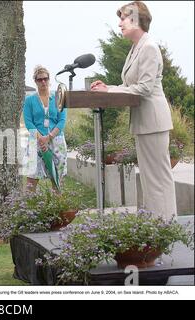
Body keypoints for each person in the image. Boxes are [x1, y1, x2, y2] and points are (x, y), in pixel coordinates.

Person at [90, 1, 176, 220]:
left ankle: (164, 224)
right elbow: (132, 86)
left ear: (136, 20)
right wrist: (107, 88)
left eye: (123, 18)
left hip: (153, 120)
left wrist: (109, 92)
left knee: (157, 178)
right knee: (149, 178)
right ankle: (155, 224)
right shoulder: (136, 48)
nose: (119, 24)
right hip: (144, 121)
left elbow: (145, 88)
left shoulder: (148, 47)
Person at [23, 65, 68, 192]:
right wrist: (41, 139)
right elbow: (28, 122)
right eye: (39, 79)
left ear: (49, 79)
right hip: (36, 141)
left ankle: (58, 209)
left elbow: (62, 120)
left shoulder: (59, 97)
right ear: (35, 81)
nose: (43, 82)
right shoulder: (29, 100)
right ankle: (29, 210)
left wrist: (49, 137)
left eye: (45, 79)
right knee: (31, 180)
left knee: (57, 180)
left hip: (56, 140)